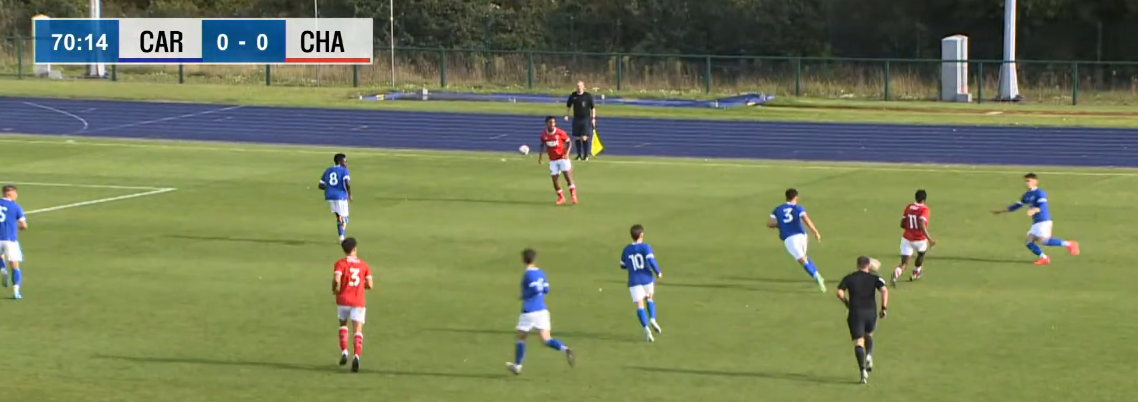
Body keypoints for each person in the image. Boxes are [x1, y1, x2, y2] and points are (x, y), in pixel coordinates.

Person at [507, 248, 576, 375]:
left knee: (521, 338)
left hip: (529, 311)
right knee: (546, 339)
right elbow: (546, 289)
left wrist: (523, 296)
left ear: (523, 260)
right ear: (535, 259)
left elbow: (534, 289)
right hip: (542, 310)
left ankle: (518, 366)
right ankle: (565, 349)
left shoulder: (528, 274)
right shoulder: (541, 273)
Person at [992, 173, 1079, 265]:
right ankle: (1044, 258)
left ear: (1035, 181)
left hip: (1044, 220)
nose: (1027, 183)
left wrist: (1034, 210)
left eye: (1029, 181)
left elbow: (1042, 206)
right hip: (1036, 222)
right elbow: (1017, 206)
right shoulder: (1027, 195)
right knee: (1029, 242)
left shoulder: (1040, 193)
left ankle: (1069, 244)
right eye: (1026, 181)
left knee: (1045, 241)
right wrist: (1001, 211)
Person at [837, 256, 889, 384]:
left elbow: (840, 292)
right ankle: (869, 354)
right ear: (868, 265)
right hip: (871, 312)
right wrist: (884, 308)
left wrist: (846, 302)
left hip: (856, 312)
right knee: (868, 334)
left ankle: (862, 371)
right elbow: (884, 290)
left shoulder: (849, 278)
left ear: (857, 265)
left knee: (859, 342)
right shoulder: (874, 278)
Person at [767, 188, 825, 292]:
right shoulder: (798, 208)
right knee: (804, 256)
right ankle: (817, 274)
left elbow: (770, 223)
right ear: (796, 197)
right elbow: (806, 220)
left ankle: (817, 277)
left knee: (802, 261)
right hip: (803, 236)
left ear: (786, 197)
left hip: (790, 239)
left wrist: (780, 224)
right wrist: (816, 232)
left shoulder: (778, 209)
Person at [333, 237, 373, 373]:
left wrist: (336, 289)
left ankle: (344, 351)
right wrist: (360, 285)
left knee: (343, 325)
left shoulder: (340, 264)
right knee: (358, 330)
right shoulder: (364, 265)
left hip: (343, 299)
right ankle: (356, 356)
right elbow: (370, 285)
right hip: (358, 300)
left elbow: (337, 280)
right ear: (355, 249)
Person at [620, 224, 663, 342]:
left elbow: (623, 265)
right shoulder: (645, 247)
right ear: (641, 235)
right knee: (650, 298)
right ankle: (653, 319)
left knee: (640, 305)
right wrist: (658, 272)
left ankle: (646, 328)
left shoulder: (626, 249)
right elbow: (651, 260)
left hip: (634, 280)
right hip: (647, 278)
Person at [893, 189, 935, 286]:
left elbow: (902, 224)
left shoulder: (909, 207)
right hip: (919, 239)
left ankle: (897, 272)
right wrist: (930, 239)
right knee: (921, 254)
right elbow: (921, 223)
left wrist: (910, 228)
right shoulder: (925, 209)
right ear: (924, 199)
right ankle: (916, 272)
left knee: (904, 263)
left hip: (907, 238)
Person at [537, 116, 578, 205]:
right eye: (550, 122)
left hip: (562, 158)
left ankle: (573, 196)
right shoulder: (543, 135)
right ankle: (561, 197)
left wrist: (567, 154)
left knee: (567, 176)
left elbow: (569, 142)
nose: (552, 124)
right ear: (546, 123)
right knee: (554, 179)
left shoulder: (560, 132)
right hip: (553, 160)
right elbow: (542, 145)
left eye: (553, 122)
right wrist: (540, 157)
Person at [0, 185, 27, 299]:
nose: (16, 195)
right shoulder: (16, 207)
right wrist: (20, 228)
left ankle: (3, 269)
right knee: (15, 265)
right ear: (9, 194)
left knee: (1, 255)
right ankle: (16, 292)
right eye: (15, 193)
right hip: (10, 240)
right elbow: (24, 225)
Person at [319, 153, 352, 242]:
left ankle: (341, 235)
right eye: (345, 161)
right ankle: (342, 237)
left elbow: (321, 185)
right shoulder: (344, 170)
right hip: (340, 196)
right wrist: (349, 194)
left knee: (339, 216)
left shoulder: (328, 170)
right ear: (340, 161)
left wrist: (330, 188)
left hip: (330, 196)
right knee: (344, 217)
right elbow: (347, 183)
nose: (346, 163)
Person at [564, 81, 596, 160]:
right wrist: (567, 115)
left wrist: (593, 118)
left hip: (585, 119)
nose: (579, 87)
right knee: (577, 137)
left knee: (584, 137)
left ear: (583, 87)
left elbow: (593, 108)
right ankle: (579, 155)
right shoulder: (573, 95)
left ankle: (586, 155)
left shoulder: (587, 96)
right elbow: (568, 106)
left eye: (580, 86)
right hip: (576, 119)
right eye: (577, 86)